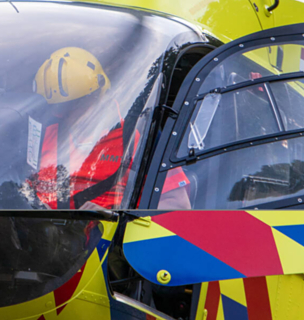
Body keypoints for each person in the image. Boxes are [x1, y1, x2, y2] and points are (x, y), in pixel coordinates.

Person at [26, 47, 191, 210]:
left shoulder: (137, 134)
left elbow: (179, 206)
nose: (60, 113)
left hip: (114, 235)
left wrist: (111, 216)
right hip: (50, 234)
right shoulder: (40, 135)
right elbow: (22, 195)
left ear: (98, 95)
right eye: (57, 106)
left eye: (71, 104)